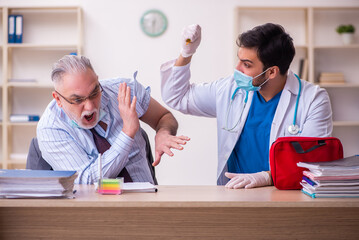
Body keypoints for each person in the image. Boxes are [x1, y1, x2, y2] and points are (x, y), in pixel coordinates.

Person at [160, 23, 332, 188]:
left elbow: (312, 162)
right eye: (239, 60)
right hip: (234, 194)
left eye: (247, 64)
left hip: (285, 194)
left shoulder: (313, 100)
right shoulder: (230, 89)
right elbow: (178, 97)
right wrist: (186, 53)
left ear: (272, 71)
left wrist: (267, 177)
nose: (237, 69)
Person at [37, 55, 189, 184]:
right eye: (77, 100)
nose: (90, 107)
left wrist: (163, 132)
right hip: (96, 214)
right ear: (58, 99)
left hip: (147, 203)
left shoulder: (125, 91)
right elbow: (86, 181)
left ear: (97, 80)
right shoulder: (50, 128)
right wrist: (127, 134)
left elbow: (164, 117)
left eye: (94, 92)